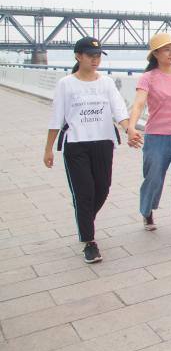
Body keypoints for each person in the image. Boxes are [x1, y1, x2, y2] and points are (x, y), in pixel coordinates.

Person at [43, 37, 133, 263]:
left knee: (102, 190)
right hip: (76, 144)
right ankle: (89, 242)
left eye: (98, 56)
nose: (95, 60)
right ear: (78, 56)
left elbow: (119, 110)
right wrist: (48, 149)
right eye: (90, 56)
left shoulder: (106, 83)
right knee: (85, 193)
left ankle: (84, 218)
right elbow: (56, 117)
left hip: (103, 143)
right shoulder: (66, 83)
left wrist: (129, 130)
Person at [126, 33, 171, 244]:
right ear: (155, 54)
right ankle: (147, 209)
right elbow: (139, 104)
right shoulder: (148, 78)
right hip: (156, 138)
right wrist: (131, 127)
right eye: (166, 49)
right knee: (154, 179)